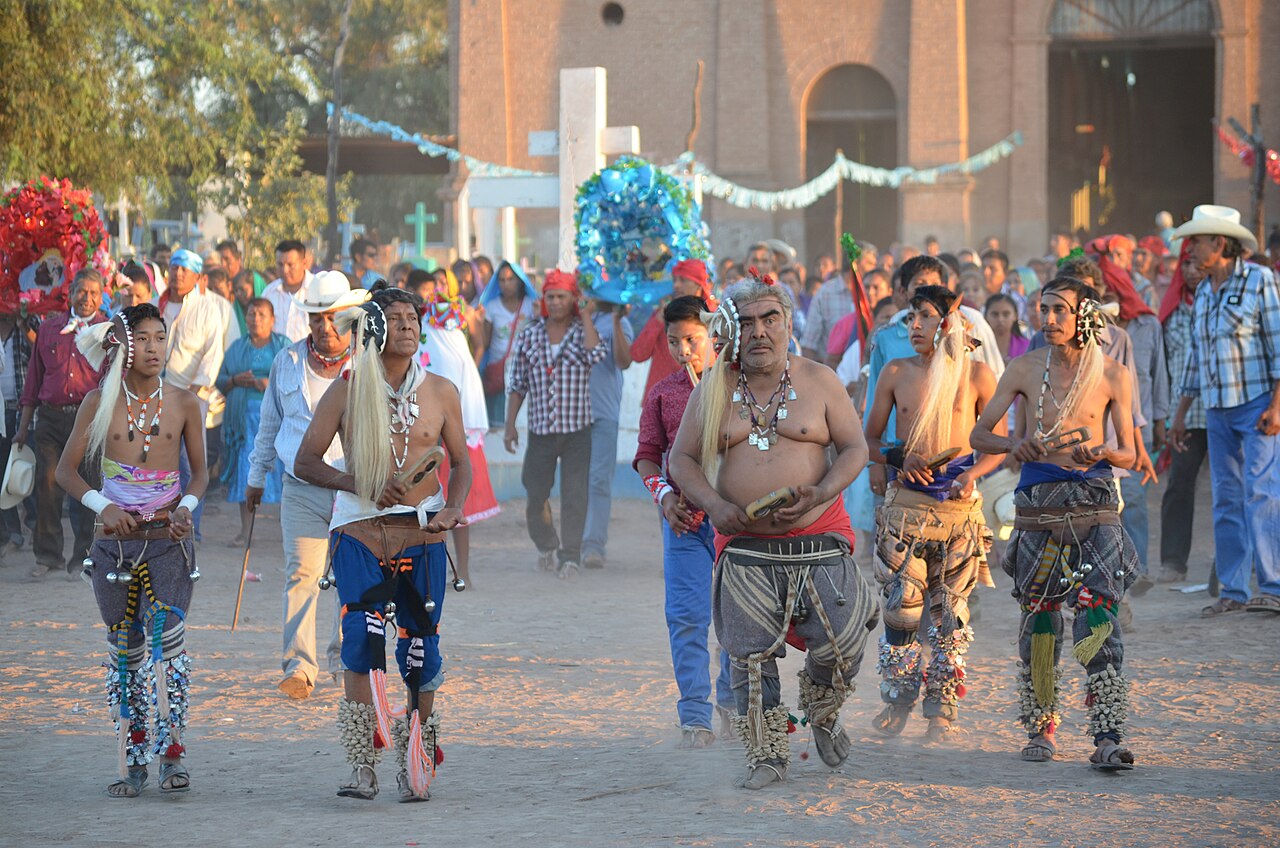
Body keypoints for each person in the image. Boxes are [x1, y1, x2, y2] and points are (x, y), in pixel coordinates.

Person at [668, 273, 878, 790]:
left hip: (819, 537)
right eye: (747, 322)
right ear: (732, 330)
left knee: (844, 638)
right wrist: (715, 504)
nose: (759, 331)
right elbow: (682, 459)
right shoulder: (714, 386)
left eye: (770, 319)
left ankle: (823, 708)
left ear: (787, 323)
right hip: (746, 548)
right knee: (749, 655)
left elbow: (855, 449)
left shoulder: (820, 380)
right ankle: (765, 753)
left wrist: (822, 490)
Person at [295, 287, 470, 802]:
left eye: (414, 317)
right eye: (395, 319)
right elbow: (306, 462)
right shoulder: (348, 390)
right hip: (360, 532)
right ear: (372, 329)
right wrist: (361, 485)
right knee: (361, 646)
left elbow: (459, 463)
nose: (409, 326)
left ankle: (416, 761)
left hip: (423, 532)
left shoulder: (440, 391)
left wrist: (452, 508)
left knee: (422, 647)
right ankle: (361, 767)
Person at [970, 275, 1140, 771]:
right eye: (1043, 309)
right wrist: (1013, 446)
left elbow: (1128, 452)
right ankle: (1041, 727)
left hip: (1096, 504)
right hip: (1038, 506)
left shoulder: (1112, 373)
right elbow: (981, 434)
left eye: (1060, 311)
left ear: (1085, 316)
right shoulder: (1024, 368)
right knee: (1041, 619)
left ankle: (1107, 733)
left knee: (1097, 617)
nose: (1048, 320)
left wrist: (1104, 451)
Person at [57, 303, 207, 797]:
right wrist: (104, 507)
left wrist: (184, 507)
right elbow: (65, 471)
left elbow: (200, 474)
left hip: (167, 541)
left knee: (169, 641)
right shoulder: (99, 401)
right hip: (114, 547)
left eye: (160, 338)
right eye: (142, 339)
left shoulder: (184, 403)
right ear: (121, 346)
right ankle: (132, 761)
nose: (153, 349)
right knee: (126, 648)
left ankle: (173, 754)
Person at [863, 286, 1002, 742]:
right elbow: (868, 441)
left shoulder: (977, 375)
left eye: (924, 316)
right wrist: (894, 459)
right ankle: (897, 700)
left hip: (960, 511)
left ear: (949, 323)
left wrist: (971, 474)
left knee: (950, 611)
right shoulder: (896, 371)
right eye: (910, 318)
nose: (915, 326)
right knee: (902, 607)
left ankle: (942, 706)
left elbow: (998, 445)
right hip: (906, 508)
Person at [247, 271, 369, 700]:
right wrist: (256, 476)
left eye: (333, 317)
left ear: (350, 318)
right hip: (300, 487)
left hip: (354, 489)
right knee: (302, 575)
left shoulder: (367, 365)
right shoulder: (287, 362)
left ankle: (344, 659)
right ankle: (299, 667)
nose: (325, 326)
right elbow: (269, 425)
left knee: (350, 578)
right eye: (317, 317)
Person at [1169, 205, 1280, 615]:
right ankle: (1233, 591)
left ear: (1219, 243)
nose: (1190, 250)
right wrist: (1181, 414)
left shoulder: (1260, 280)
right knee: (1226, 498)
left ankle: (1273, 586)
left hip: (1255, 405)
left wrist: (1277, 406)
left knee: (1262, 492)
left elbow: (1278, 347)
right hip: (1216, 409)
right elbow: (1196, 359)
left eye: (1195, 241)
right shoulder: (1203, 291)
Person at [635, 295, 733, 746]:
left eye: (691, 340)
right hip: (684, 522)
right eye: (674, 342)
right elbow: (646, 458)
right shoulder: (664, 393)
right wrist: (665, 496)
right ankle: (695, 715)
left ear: (713, 334)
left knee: (739, 618)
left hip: (736, 522)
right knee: (687, 618)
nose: (683, 351)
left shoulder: (739, 388)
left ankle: (734, 702)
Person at [503, 270, 607, 579]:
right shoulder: (530, 333)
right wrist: (510, 425)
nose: (556, 302)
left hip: (577, 430)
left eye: (562, 296)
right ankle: (547, 542)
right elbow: (518, 383)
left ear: (573, 299)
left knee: (575, 494)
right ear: (543, 300)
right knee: (535, 492)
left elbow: (597, 355)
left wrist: (586, 316)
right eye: (550, 297)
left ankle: (570, 556)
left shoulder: (581, 331)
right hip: (541, 431)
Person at [18, 268, 107, 578]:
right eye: (82, 291)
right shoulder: (50, 329)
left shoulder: (107, 333)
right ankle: (48, 555)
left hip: (90, 422)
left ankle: (83, 557)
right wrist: (22, 426)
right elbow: (33, 381)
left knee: (87, 490)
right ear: (71, 293)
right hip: (51, 420)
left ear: (102, 296)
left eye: (95, 293)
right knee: (47, 485)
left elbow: (115, 383)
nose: (88, 298)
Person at [417, 284, 501, 587]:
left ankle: (461, 570)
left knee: (455, 504)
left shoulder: (446, 337)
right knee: (430, 506)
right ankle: (448, 570)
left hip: (451, 434)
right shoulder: (426, 337)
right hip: (424, 434)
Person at [160, 249, 239, 543]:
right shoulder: (160, 305)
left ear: (196, 277)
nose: (178, 274)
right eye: (174, 267)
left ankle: (192, 527)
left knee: (191, 464)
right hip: (156, 397)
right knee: (160, 463)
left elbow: (212, 355)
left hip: (192, 397)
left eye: (185, 270)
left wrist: (190, 396)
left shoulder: (208, 309)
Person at [1156, 243, 1209, 584]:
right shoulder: (1171, 314)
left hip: (1224, 407)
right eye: (1185, 265)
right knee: (1179, 485)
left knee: (1231, 488)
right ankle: (1173, 560)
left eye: (1196, 264)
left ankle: (1233, 566)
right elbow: (1163, 369)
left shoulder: (1219, 305)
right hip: (1184, 414)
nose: (1191, 271)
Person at [216, 297, 289, 544]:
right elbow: (220, 380)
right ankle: (246, 532)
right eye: (251, 314)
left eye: (261, 315)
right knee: (246, 472)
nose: (255, 319)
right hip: (243, 422)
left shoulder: (283, 346)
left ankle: (288, 531)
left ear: (272, 320)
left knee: (283, 473)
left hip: (278, 420)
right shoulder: (237, 347)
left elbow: (296, 379)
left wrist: (272, 384)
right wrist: (237, 380)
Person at [581, 299, 633, 569]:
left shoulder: (620, 323)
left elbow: (624, 361)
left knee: (599, 480)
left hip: (604, 414)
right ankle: (572, 544)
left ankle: (593, 545)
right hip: (571, 416)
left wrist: (614, 320)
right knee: (575, 482)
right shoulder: (573, 320)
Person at [631, 260, 714, 404]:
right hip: (660, 402)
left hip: (703, 400)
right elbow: (638, 354)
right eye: (675, 280)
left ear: (698, 283)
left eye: (683, 280)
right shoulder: (662, 314)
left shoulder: (713, 316)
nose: (676, 285)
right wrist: (659, 319)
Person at [475, 261, 537, 427]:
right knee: (498, 422)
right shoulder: (491, 306)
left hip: (526, 370)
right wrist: (479, 323)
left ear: (519, 281)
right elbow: (485, 342)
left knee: (523, 422)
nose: (506, 284)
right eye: (502, 280)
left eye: (510, 279)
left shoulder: (531, 305)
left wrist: (540, 316)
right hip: (499, 371)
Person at [263, 239, 315, 342]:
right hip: (277, 357)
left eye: (290, 265)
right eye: (280, 265)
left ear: (304, 263)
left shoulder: (318, 289)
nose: (285, 270)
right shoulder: (269, 294)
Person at [986, 293, 1029, 364]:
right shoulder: (978, 346)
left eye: (1006, 314)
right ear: (986, 316)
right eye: (995, 314)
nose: (1000, 319)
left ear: (1015, 316)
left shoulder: (1027, 346)